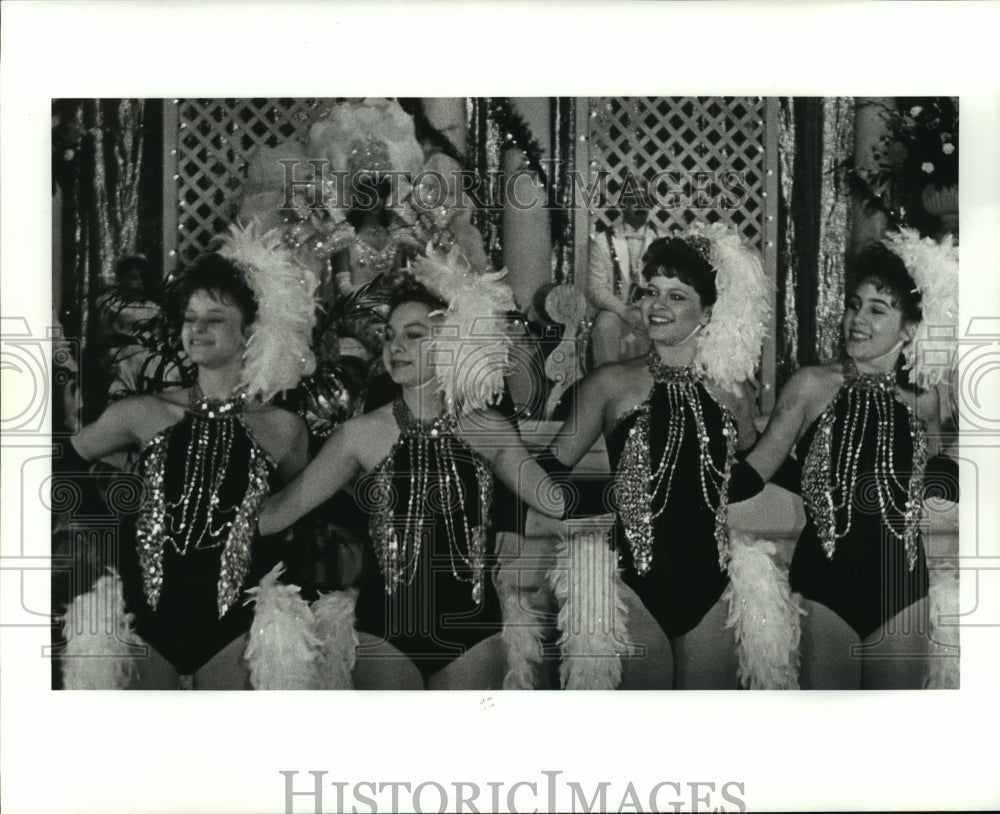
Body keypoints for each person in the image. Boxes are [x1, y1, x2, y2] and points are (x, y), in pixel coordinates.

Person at [258, 250, 565, 690]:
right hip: (386, 634)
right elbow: (273, 517)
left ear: (452, 342)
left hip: (473, 634)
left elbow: (554, 500)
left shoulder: (487, 429)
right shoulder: (359, 436)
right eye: (389, 336)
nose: (395, 347)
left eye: (414, 335)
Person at [58, 226, 317, 690]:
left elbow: (306, 519)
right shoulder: (143, 412)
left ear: (249, 332)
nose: (196, 330)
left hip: (238, 635)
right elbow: (59, 463)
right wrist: (111, 521)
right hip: (145, 627)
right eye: (190, 318)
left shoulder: (282, 428)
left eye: (214, 319)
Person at [544, 224, 800, 690]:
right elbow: (547, 475)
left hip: (713, 591)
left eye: (677, 296)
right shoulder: (609, 384)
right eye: (650, 292)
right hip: (631, 589)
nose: (657, 307)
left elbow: (743, 476)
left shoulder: (730, 392)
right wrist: (609, 504)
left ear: (708, 311)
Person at [743, 231, 959, 689]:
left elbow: (934, 482)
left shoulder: (926, 399)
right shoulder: (810, 385)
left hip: (902, 588)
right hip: (825, 585)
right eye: (854, 305)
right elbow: (758, 469)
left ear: (908, 329)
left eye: (877, 310)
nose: (857, 320)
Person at [586, 193, 663, 367]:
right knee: (605, 327)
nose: (641, 207)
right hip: (617, 309)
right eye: (634, 201)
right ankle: (606, 384)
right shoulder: (603, 241)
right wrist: (626, 312)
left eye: (646, 202)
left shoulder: (661, 240)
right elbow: (596, 289)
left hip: (652, 308)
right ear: (622, 206)